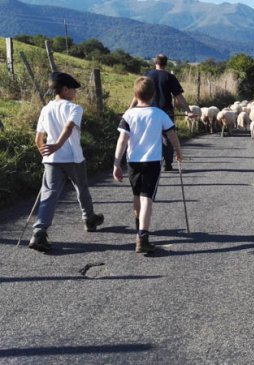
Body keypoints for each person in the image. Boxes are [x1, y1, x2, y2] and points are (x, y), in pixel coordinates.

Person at [29, 72, 104, 252]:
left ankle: (39, 231)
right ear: (64, 89)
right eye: (73, 90)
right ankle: (89, 219)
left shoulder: (46, 109)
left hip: (51, 160)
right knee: (81, 187)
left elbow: (38, 136)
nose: (75, 93)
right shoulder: (74, 108)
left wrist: (44, 150)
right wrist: (57, 145)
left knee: (49, 193)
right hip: (73, 157)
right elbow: (69, 127)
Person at [114, 76, 183, 254]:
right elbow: (171, 134)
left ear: (135, 95)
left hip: (133, 162)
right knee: (147, 199)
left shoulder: (128, 115)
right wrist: (178, 151)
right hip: (152, 162)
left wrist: (116, 163)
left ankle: (139, 228)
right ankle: (143, 237)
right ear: (153, 95)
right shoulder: (160, 114)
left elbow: (122, 140)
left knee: (137, 196)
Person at [130, 53, 194, 171]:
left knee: (148, 136)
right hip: (166, 111)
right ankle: (168, 164)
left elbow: (137, 95)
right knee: (168, 137)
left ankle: (147, 161)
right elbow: (179, 97)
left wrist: (130, 109)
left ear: (155, 62)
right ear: (166, 63)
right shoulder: (170, 77)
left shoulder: (147, 75)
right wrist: (188, 111)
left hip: (147, 110)